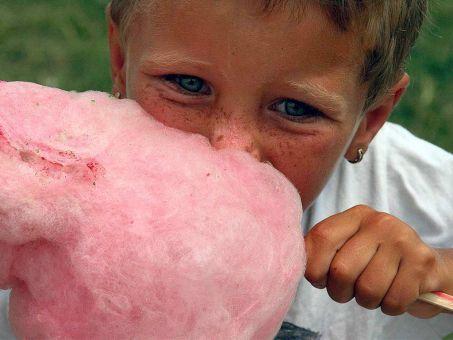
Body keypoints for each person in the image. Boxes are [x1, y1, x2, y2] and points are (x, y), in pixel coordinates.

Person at [0, 0, 452, 339]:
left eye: (295, 109)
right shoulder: (45, 189)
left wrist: (437, 275)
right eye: (188, 85)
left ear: (369, 120)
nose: (230, 150)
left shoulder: (414, 194)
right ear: (121, 60)